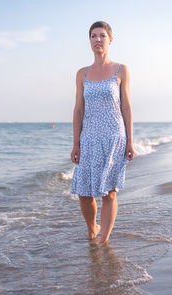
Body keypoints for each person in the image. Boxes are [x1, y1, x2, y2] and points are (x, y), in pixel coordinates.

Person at [70, 21, 135, 244]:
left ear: (110, 40)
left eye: (102, 35)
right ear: (89, 41)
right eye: (93, 36)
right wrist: (75, 143)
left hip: (114, 137)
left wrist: (130, 141)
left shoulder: (121, 70)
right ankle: (92, 228)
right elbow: (78, 110)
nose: (98, 39)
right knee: (84, 192)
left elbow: (126, 107)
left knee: (109, 192)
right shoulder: (82, 74)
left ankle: (104, 239)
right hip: (88, 138)